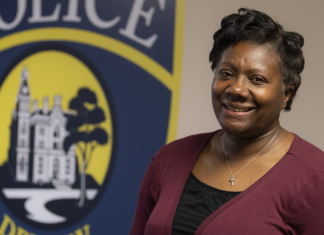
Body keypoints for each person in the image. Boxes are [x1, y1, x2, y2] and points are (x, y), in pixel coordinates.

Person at [130, 8, 324, 235]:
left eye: (257, 79)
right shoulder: (168, 160)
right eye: (227, 73)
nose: (237, 89)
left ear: (286, 95)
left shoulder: (314, 179)